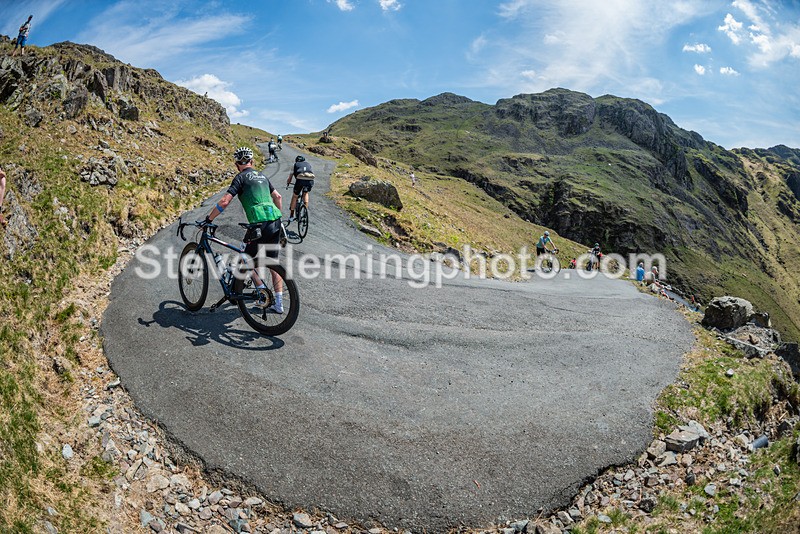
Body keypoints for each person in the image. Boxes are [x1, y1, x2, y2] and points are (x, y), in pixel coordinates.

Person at [205, 147, 284, 312]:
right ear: (252, 162)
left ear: (236, 165)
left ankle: (262, 292)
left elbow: (225, 202)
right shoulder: (262, 175)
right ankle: (279, 303)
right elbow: (278, 197)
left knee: (245, 258)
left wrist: (209, 219)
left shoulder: (240, 177)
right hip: (275, 220)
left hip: (258, 224)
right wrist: (278, 216)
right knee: (272, 263)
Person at [286, 155, 315, 222]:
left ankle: (291, 216)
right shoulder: (308, 164)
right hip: (310, 179)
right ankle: (305, 210)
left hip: (300, 179)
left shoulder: (295, 165)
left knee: (295, 196)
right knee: (305, 193)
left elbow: (290, 178)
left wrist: (288, 183)